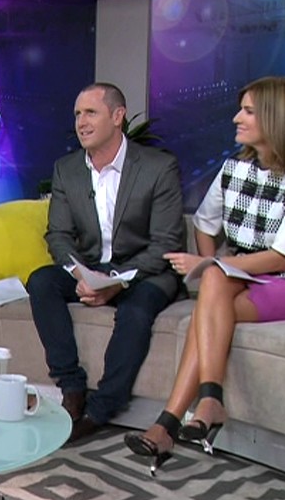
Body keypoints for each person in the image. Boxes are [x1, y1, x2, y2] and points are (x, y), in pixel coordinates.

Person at [124, 76, 285, 474]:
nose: (237, 118)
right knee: (211, 299)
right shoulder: (234, 167)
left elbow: (283, 257)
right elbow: (204, 225)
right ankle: (204, 404)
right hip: (248, 275)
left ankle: (170, 421)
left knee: (207, 307)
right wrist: (213, 271)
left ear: (277, 118)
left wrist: (213, 269)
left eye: (249, 111)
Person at [27, 82, 185, 444]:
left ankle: (102, 409)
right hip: (90, 267)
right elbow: (58, 235)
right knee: (41, 282)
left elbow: (165, 243)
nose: (81, 122)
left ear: (117, 116)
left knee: (136, 310)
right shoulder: (67, 169)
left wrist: (114, 281)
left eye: (90, 113)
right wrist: (81, 275)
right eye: (77, 115)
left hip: (145, 272)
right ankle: (71, 387)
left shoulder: (157, 167)